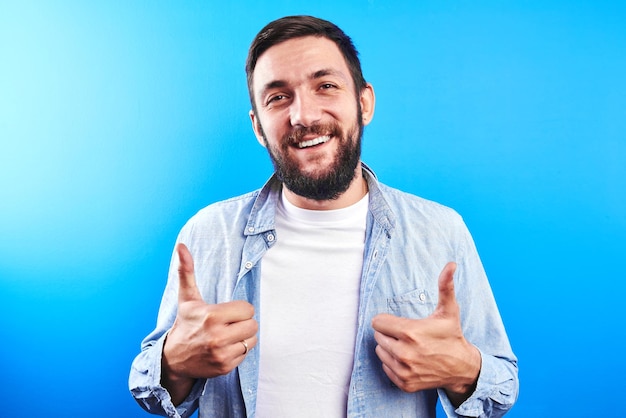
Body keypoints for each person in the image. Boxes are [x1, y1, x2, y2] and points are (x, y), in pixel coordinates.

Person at [129, 15, 518, 418]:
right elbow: (149, 386)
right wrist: (174, 363)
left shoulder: (438, 230)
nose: (304, 115)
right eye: (278, 97)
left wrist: (463, 371)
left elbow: (501, 384)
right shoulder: (208, 234)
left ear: (363, 102)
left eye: (325, 86)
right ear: (258, 127)